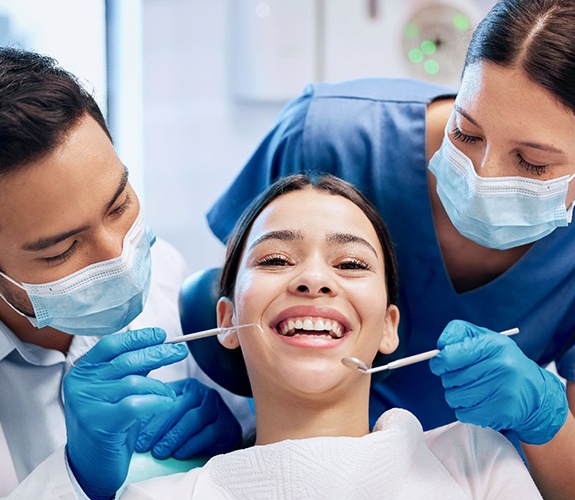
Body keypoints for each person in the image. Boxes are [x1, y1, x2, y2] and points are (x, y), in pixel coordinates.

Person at [204, 0, 575, 497]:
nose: (481, 174)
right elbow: (237, 284)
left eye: (531, 163)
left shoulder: (484, 476)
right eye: (466, 132)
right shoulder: (328, 136)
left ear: (391, 324)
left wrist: (544, 418)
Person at [12, 173, 542, 498]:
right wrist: (76, 477)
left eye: (352, 263)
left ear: (388, 328)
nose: (313, 279)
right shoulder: (157, 496)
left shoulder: (472, 461)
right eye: (276, 259)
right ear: (226, 320)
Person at [0, 47, 252, 498]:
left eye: (119, 206)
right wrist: (78, 478)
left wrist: (234, 436)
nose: (118, 256)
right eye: (62, 250)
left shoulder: (169, 275)